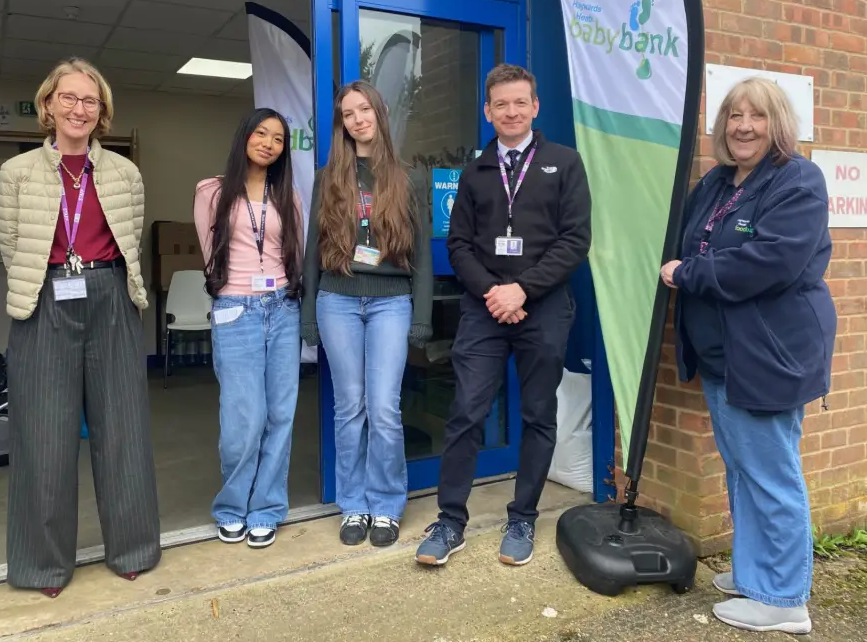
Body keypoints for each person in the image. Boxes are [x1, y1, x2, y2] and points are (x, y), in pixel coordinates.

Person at [660, 77, 836, 635]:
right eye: (734, 115)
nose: (742, 126)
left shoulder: (797, 181)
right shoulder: (716, 183)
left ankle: (783, 599)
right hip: (724, 357)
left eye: (756, 116)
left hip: (768, 353)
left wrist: (689, 274)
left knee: (770, 474)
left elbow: (771, 262)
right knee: (743, 470)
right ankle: (755, 572)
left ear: (777, 123)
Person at [0, 57, 161, 598]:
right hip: (43, 300)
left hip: (110, 296)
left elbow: (129, 241)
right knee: (43, 437)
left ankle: (132, 549)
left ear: (102, 113)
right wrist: (44, 283)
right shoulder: (16, 173)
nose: (79, 108)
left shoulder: (123, 173)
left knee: (124, 432)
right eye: (68, 97)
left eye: (90, 101)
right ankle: (43, 566)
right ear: (47, 105)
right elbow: (12, 247)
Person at [416, 64, 591, 567]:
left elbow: (575, 240)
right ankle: (450, 521)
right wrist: (495, 292)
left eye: (520, 103)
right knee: (466, 412)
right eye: (500, 105)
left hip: (545, 307)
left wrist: (522, 289)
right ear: (487, 111)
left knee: (538, 415)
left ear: (535, 107)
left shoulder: (565, 162)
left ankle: (523, 517)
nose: (510, 112)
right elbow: (459, 245)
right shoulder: (476, 171)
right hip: (484, 310)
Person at [301, 80, 433, 548]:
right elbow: (311, 251)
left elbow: (422, 255)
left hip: (391, 302)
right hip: (336, 298)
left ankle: (386, 505)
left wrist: (422, 314)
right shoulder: (327, 177)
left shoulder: (409, 177)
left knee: (383, 407)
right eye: (348, 114)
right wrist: (307, 317)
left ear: (379, 113)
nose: (358, 119)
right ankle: (353, 505)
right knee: (349, 407)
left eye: (364, 110)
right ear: (342, 124)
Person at [194, 109, 303, 549]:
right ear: (245, 137)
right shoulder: (211, 190)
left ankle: (267, 507)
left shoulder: (287, 194)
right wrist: (230, 293)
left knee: (280, 413)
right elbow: (208, 252)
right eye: (261, 133)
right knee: (244, 416)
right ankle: (232, 506)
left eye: (278, 138)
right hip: (235, 308)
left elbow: (292, 250)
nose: (269, 143)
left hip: (283, 308)